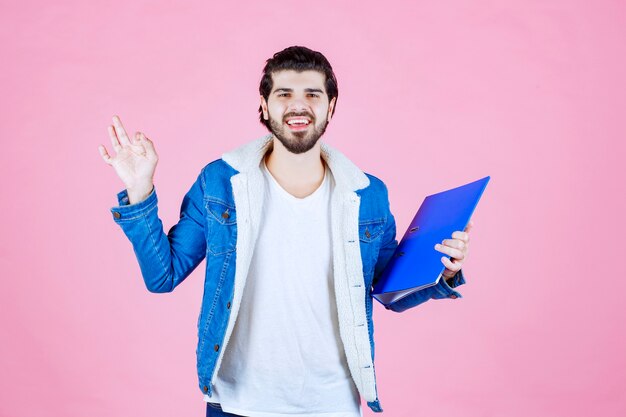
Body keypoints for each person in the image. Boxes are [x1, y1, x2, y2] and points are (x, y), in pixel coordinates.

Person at [98, 45, 473, 417]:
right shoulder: (219, 182)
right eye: (284, 94)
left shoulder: (367, 194)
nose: (299, 105)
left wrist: (445, 271)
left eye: (312, 94)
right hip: (237, 405)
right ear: (263, 106)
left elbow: (390, 291)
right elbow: (163, 276)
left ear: (331, 106)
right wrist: (140, 190)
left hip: (333, 406)